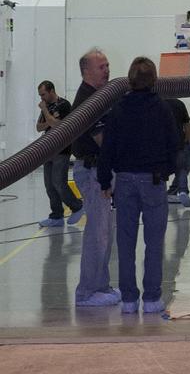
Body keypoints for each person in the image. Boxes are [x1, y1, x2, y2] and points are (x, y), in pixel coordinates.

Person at [98, 56, 180, 314]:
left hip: (124, 181)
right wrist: (169, 172)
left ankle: (130, 300)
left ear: (130, 80)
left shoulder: (118, 109)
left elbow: (107, 148)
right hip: (153, 180)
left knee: (126, 243)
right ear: (154, 79)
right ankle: (153, 299)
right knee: (154, 243)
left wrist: (104, 180)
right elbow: (174, 145)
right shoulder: (162, 108)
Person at [71, 48, 119, 307]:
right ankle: (87, 292)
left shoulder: (101, 96)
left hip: (101, 170)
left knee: (105, 231)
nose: (107, 70)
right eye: (102, 67)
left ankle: (101, 286)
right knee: (97, 232)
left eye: (108, 65)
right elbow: (102, 140)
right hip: (93, 172)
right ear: (86, 71)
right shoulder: (88, 101)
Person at [35, 80, 84, 228]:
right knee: (49, 185)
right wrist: (49, 119)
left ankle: (77, 206)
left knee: (58, 182)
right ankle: (56, 215)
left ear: (51, 91)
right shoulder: (47, 107)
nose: (41, 98)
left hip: (61, 150)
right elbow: (39, 127)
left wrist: (45, 112)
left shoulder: (64, 105)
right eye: (40, 95)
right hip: (47, 150)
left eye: (43, 94)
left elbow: (57, 125)